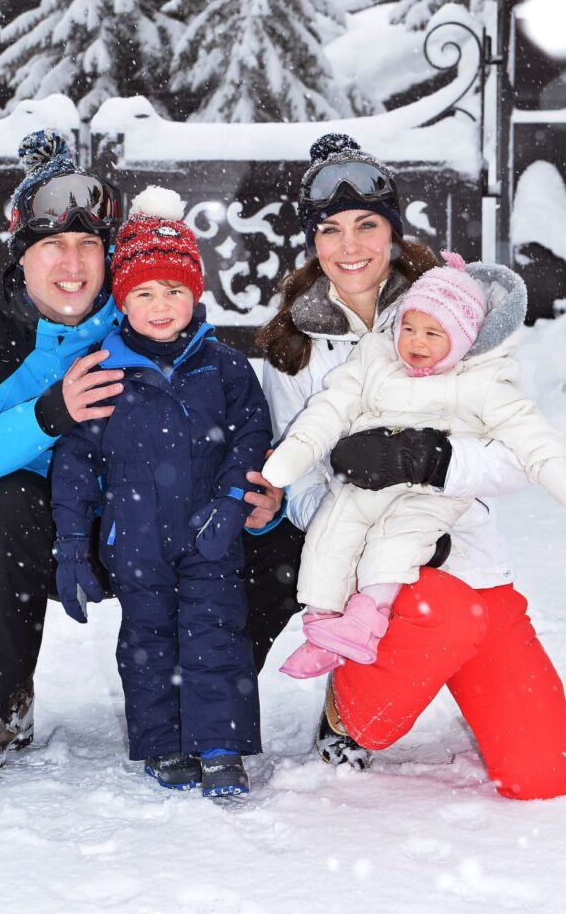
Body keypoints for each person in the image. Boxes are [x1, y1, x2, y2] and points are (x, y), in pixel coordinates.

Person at [256, 132, 566, 799]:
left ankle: (452, 668)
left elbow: (515, 449)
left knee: (545, 773)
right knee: (431, 613)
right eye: (331, 230)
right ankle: (348, 712)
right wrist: (369, 514)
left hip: (477, 566)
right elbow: (301, 483)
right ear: (313, 242)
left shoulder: (450, 309)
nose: (350, 247)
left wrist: (434, 461)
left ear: (392, 231)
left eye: (367, 226)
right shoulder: (297, 348)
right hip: (386, 578)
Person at [50, 186, 272, 797]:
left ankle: (221, 746)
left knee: (215, 635)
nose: (160, 304)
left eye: (174, 290)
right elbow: (73, 461)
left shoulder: (224, 365)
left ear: (194, 293)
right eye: (144, 292)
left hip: (210, 533)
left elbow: (253, 435)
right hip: (136, 542)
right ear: (123, 300)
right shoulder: (101, 369)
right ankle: (163, 743)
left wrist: (231, 501)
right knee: (147, 643)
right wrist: (73, 544)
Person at [0, 129, 127, 770]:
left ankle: (196, 699)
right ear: (20, 256)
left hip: (135, 520)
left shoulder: (143, 316)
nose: (72, 265)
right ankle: (4, 700)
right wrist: (45, 416)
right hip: (36, 532)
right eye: (52, 246)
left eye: (87, 244)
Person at [263, 251, 566, 676]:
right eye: (408, 328)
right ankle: (323, 624)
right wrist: (297, 456)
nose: (416, 342)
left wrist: (432, 459)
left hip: (431, 499)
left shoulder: (480, 382)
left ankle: (365, 619)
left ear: (461, 339)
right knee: (332, 531)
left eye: (432, 333)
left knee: (393, 543)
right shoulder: (377, 361)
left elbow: (534, 445)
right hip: (365, 485)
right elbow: (328, 410)